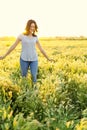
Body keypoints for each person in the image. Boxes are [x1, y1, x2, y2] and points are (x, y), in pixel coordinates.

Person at [0, 19, 53, 83]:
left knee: (34, 76)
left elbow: (41, 49)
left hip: (34, 59)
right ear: (28, 26)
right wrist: (4, 56)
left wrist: (48, 58)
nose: (32, 28)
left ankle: (35, 91)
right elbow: (13, 46)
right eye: (31, 26)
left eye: (33, 27)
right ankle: (25, 90)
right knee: (24, 77)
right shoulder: (22, 36)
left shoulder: (35, 37)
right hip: (24, 59)